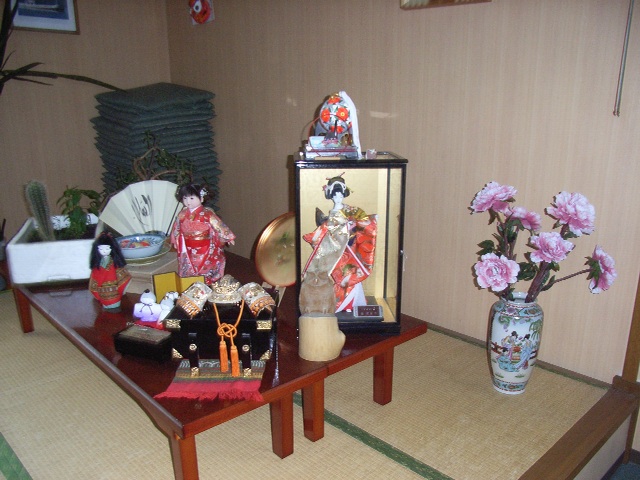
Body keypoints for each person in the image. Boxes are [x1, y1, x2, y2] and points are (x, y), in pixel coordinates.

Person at [302, 175, 377, 313]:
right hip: (336, 250)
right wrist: (315, 237)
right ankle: (344, 304)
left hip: (350, 248)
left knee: (351, 274)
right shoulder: (331, 214)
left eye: (340, 194)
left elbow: (363, 222)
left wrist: (370, 220)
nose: (338, 197)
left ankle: (353, 304)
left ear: (344, 194)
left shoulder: (351, 211)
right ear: (330, 195)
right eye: (335, 194)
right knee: (341, 277)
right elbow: (324, 231)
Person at [170, 183, 236, 285]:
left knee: (205, 265)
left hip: (205, 247)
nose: (188, 201)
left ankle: (208, 284)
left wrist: (228, 236)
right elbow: (177, 227)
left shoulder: (207, 214)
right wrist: (175, 239)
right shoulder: (182, 214)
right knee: (188, 265)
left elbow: (218, 224)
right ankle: (191, 284)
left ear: (201, 199)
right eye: (185, 198)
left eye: (192, 198)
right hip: (187, 247)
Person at [89, 232, 131, 309]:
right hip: (101, 293)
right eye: (101, 249)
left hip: (114, 294)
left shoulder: (115, 265)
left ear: (112, 249)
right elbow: (94, 279)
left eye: (107, 248)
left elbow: (124, 278)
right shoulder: (97, 265)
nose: (104, 251)